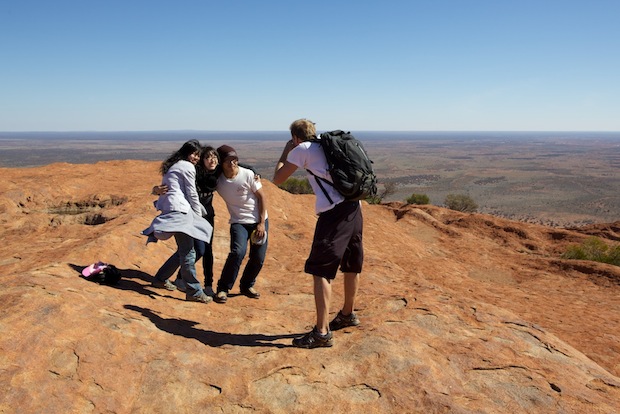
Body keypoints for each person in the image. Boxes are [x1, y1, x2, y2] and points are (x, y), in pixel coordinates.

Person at [273, 119, 364, 348]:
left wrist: (286, 151)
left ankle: (322, 333)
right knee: (351, 263)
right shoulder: (327, 144)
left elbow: (278, 178)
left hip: (333, 213)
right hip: (354, 207)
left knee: (320, 269)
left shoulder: (302, 149)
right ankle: (347, 314)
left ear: (295, 137)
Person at [142, 140, 213, 304]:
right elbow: (192, 193)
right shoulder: (187, 166)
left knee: (184, 250)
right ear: (186, 153)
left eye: (198, 155)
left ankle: (160, 278)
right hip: (179, 211)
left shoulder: (174, 166)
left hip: (173, 209)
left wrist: (155, 190)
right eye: (193, 154)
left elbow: (164, 189)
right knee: (189, 252)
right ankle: (194, 291)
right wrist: (197, 217)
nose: (196, 158)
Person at [213, 144, 268, 304]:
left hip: (258, 221)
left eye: (235, 159)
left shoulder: (248, 174)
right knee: (237, 252)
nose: (232, 163)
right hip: (239, 222)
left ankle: (247, 285)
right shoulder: (218, 181)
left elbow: (262, 197)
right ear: (221, 162)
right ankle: (223, 288)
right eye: (228, 160)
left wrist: (261, 223)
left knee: (258, 257)